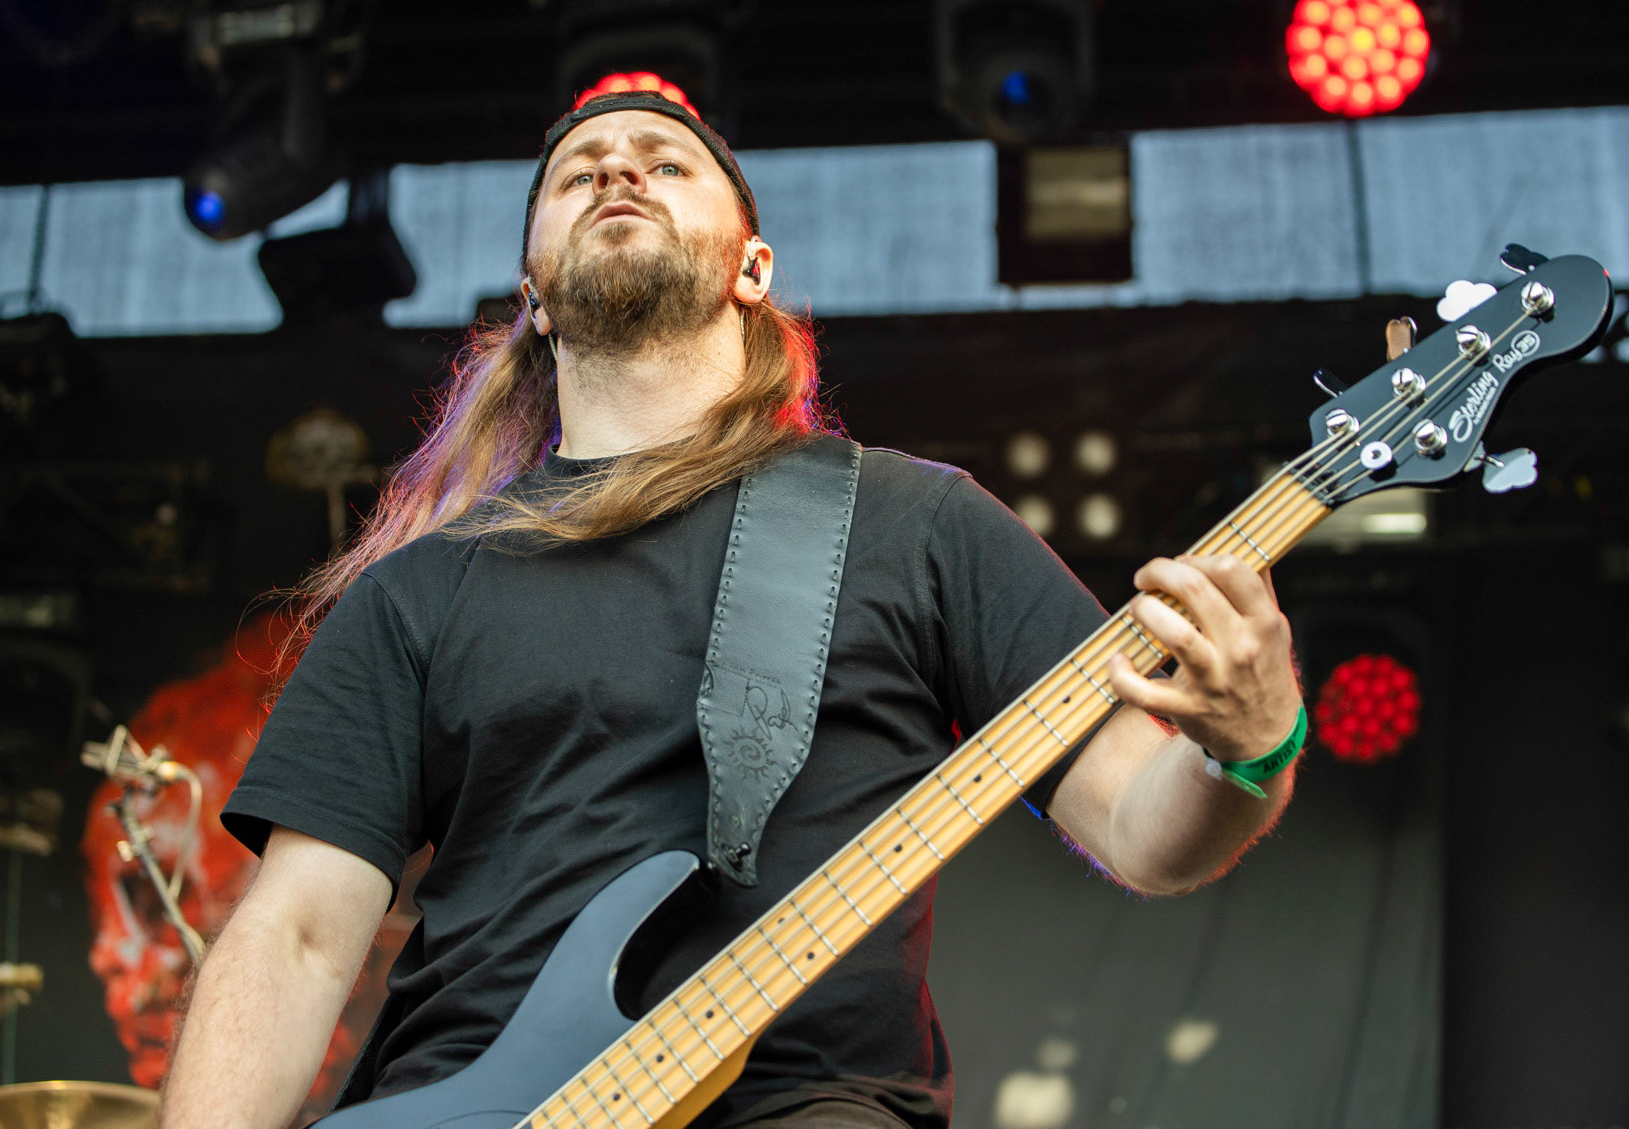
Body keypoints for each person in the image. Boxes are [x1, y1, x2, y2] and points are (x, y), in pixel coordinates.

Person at [158, 91, 1304, 1129]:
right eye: (579, 173)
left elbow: (1137, 826)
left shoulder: (915, 524)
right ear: (535, 300)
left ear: (751, 269)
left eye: (664, 163)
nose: (617, 170)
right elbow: (294, 937)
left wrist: (1250, 746)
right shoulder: (418, 590)